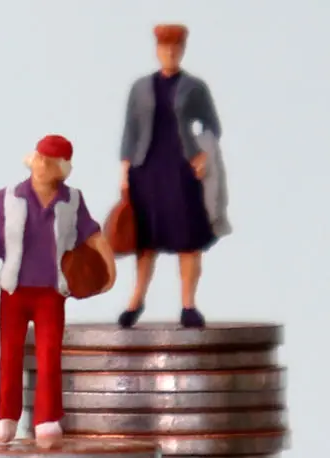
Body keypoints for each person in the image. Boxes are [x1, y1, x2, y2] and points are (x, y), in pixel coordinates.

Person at [0, 135, 115, 448]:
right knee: (10, 355)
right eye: (40, 158)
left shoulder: (72, 200)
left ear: (62, 168)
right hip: (14, 292)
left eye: (50, 161)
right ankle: (7, 416)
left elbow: (93, 236)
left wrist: (109, 270)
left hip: (51, 294)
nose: (42, 165)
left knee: (49, 356)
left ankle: (47, 419)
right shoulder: (7, 198)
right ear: (33, 159)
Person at [117, 23, 230, 329]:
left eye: (175, 48)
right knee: (145, 242)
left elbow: (212, 125)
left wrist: (204, 154)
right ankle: (136, 299)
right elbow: (130, 129)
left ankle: (188, 304)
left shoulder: (194, 87)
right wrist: (125, 168)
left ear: (182, 50)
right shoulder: (140, 88)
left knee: (188, 240)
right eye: (164, 47)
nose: (169, 53)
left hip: (183, 170)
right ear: (157, 50)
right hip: (147, 169)